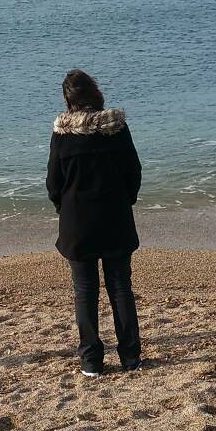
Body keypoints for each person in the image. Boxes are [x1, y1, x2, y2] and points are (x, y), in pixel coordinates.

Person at [45, 69, 143, 376]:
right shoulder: (117, 128)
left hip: (78, 224)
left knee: (85, 291)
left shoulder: (62, 134)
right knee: (120, 288)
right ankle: (130, 357)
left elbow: (53, 184)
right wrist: (125, 201)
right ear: (96, 93)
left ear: (68, 100)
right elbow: (134, 173)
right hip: (115, 218)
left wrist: (65, 208)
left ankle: (91, 361)